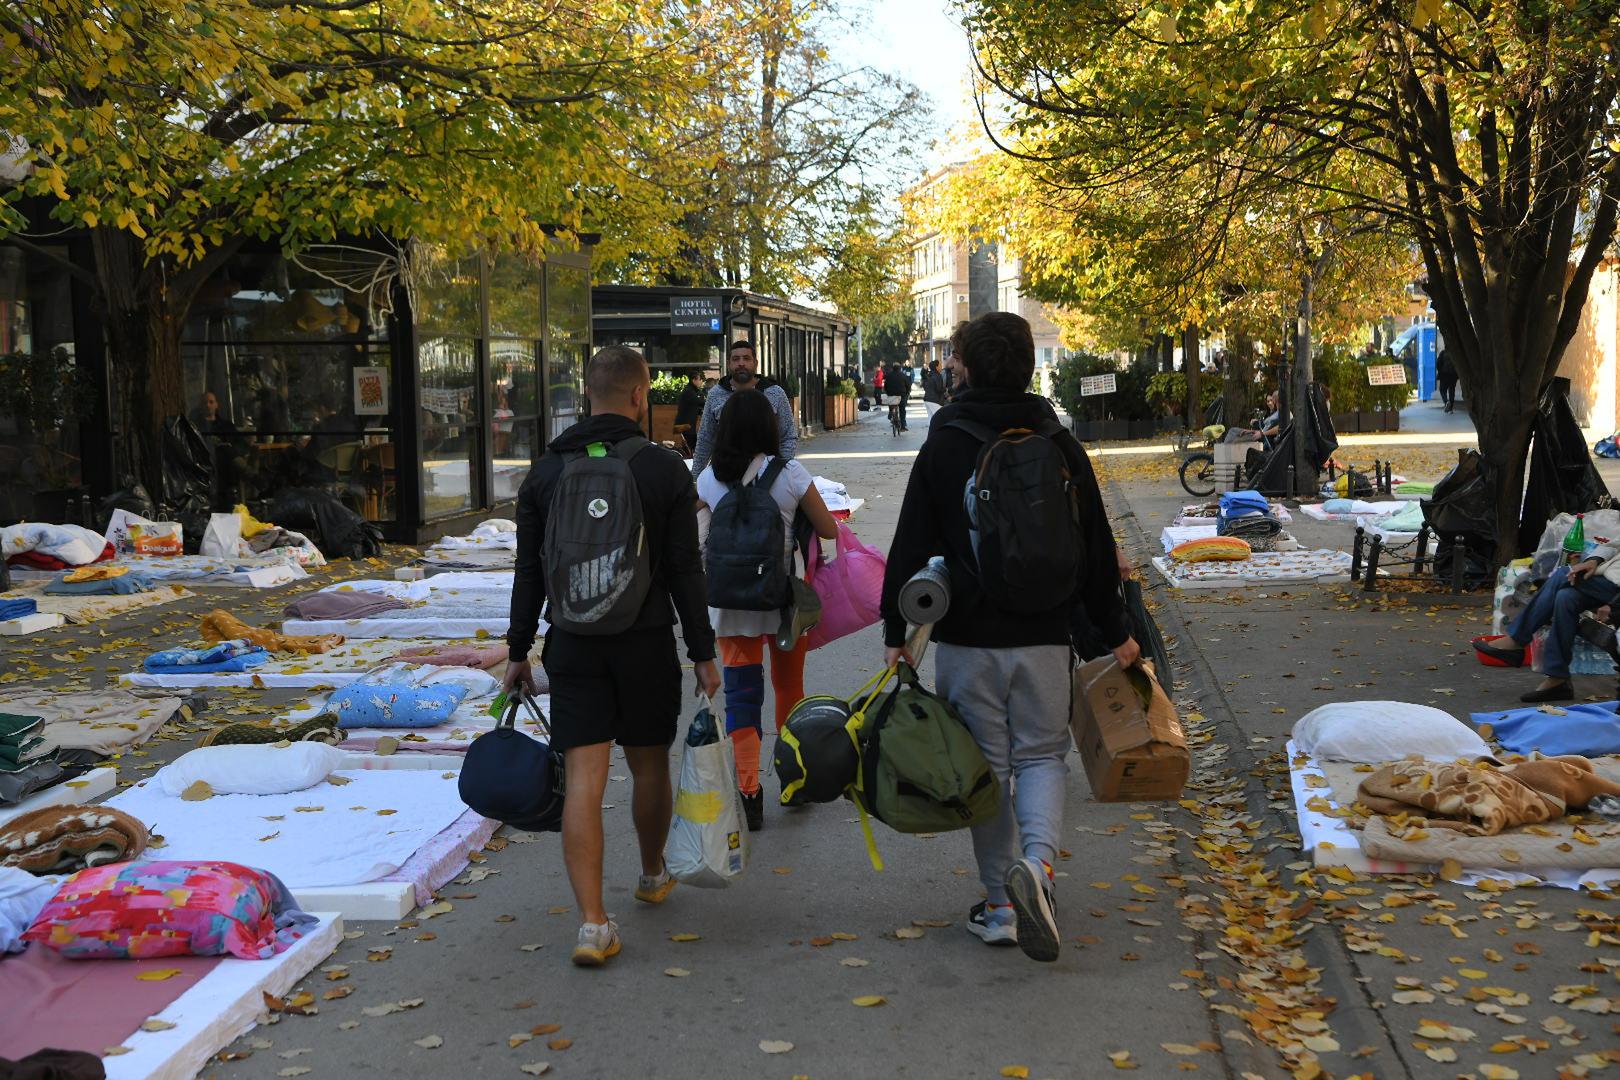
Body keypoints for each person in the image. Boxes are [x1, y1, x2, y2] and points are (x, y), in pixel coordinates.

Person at [879, 311, 1139, 963]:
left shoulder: (944, 441)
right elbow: (1096, 546)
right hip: (1045, 633)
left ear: (965, 366)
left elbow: (910, 540)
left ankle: (1000, 906)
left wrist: (895, 628)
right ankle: (1040, 874)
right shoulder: (1058, 439)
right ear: (1028, 365)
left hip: (967, 638)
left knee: (987, 770)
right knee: (1042, 756)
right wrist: (1115, 631)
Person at [504, 345, 721, 968]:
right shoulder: (662, 471)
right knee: (649, 763)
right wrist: (702, 652)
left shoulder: (545, 473)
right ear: (638, 395)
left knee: (584, 779)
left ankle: (593, 924)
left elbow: (529, 572)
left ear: (585, 393)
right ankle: (652, 872)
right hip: (647, 640)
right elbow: (685, 569)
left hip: (572, 643)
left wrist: (519, 649)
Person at [695, 390, 839, 831]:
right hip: (782, 602)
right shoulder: (790, 473)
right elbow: (829, 527)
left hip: (730, 603)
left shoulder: (707, 479)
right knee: (788, 688)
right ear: (769, 427)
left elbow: (696, 535)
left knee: (741, 695)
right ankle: (793, 780)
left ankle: (749, 788)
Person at [1475, 548, 1620, 702]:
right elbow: (1614, 544)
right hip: (1608, 578)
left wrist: (1615, 605)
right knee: (1566, 597)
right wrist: (1594, 560)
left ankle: (1517, 639)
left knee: (1561, 574)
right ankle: (1557, 679)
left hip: (1615, 588)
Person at [690, 340, 797, 475]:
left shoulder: (775, 393)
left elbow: (788, 436)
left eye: (746, 358)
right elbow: (705, 439)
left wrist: (780, 470)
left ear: (755, 363)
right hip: (725, 474)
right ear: (729, 363)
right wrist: (696, 477)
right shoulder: (715, 394)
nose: (741, 363)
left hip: (767, 473)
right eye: (736, 359)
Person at [674, 369, 706, 455]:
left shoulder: (692, 390)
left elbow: (694, 406)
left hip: (688, 424)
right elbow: (700, 402)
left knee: (690, 447)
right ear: (694, 380)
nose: (701, 381)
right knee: (695, 447)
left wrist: (701, 411)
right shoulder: (689, 391)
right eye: (699, 379)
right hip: (686, 425)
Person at [882, 359, 911, 431]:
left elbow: (885, 386)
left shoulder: (888, 376)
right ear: (900, 368)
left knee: (891, 403)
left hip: (891, 395)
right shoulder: (903, 375)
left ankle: (891, 412)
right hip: (901, 395)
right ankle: (903, 426)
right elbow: (908, 385)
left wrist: (888, 392)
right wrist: (907, 393)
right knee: (902, 410)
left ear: (893, 368)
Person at [1437, 348, 1459, 413]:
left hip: (1444, 374)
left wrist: (1440, 370)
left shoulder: (1443, 353)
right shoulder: (1456, 354)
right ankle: (1451, 408)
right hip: (1453, 375)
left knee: (1442, 389)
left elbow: (1438, 363)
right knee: (1452, 390)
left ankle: (1446, 402)